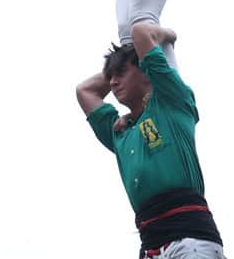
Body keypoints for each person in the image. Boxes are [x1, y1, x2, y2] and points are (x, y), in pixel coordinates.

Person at [76, 23, 225, 258]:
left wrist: (167, 38)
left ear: (146, 70)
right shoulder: (121, 132)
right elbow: (85, 91)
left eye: (121, 73)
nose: (112, 82)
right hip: (150, 246)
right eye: (110, 77)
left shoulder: (171, 103)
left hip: (189, 240)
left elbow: (141, 32)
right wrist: (119, 64)